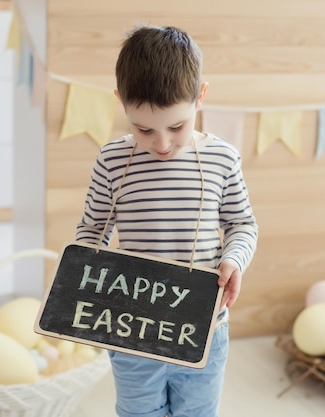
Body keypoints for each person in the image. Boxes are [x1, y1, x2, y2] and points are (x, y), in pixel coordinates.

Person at [75, 24, 258, 417]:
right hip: (132, 328)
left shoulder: (222, 159)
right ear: (121, 101)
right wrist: (88, 263)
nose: (161, 144)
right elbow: (93, 229)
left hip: (204, 328)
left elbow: (243, 224)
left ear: (200, 97)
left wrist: (234, 260)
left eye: (177, 126)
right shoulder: (111, 161)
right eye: (143, 128)